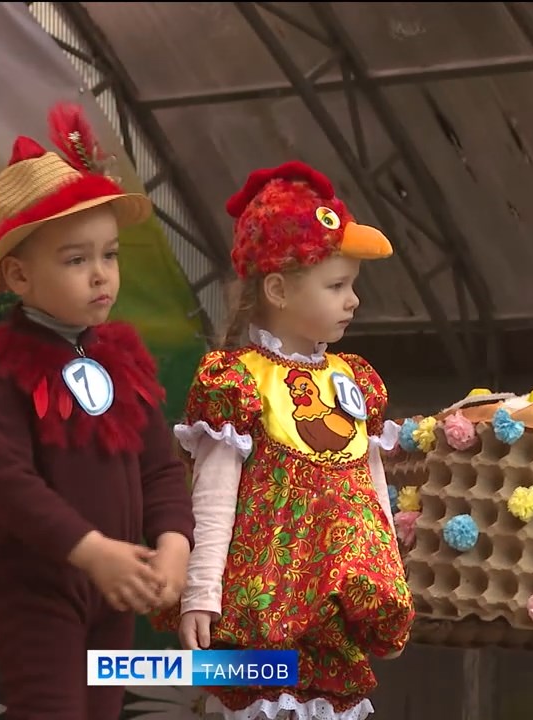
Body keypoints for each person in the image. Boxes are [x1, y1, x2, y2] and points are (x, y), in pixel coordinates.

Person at [153, 160, 414, 720]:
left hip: (336, 615)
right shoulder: (238, 380)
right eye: (336, 286)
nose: (353, 300)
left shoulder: (355, 379)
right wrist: (202, 594)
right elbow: (213, 501)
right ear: (277, 289)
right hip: (263, 611)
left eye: (352, 286)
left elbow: (374, 496)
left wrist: (391, 588)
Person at [0, 104, 195, 720]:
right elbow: (5, 481)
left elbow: (159, 468)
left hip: (117, 590)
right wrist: (90, 550)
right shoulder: (4, 367)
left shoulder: (122, 359)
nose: (101, 275)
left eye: (110, 255)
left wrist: (174, 543)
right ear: (19, 276)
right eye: (76, 260)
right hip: (38, 588)